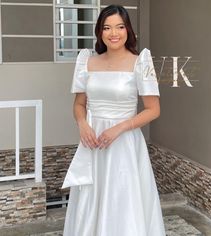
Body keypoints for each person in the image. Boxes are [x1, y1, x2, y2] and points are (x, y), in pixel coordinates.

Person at [62, 4, 166, 236]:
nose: (114, 33)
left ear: (128, 30)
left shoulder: (141, 62)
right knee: (92, 199)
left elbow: (153, 109)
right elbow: (79, 104)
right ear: (100, 32)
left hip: (125, 144)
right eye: (107, 28)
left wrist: (119, 128)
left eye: (120, 26)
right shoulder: (87, 61)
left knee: (123, 200)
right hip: (93, 143)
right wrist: (82, 124)